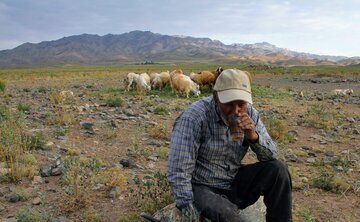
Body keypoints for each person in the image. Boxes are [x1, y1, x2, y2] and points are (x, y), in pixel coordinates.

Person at [167, 69, 292, 222]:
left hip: (232, 179)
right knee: (230, 216)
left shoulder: (250, 113)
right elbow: (178, 168)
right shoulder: (194, 117)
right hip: (202, 186)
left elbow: (271, 155)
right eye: (229, 104)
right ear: (215, 97)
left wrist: (253, 136)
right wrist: (186, 205)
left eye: (241, 104)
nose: (236, 110)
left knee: (278, 170)